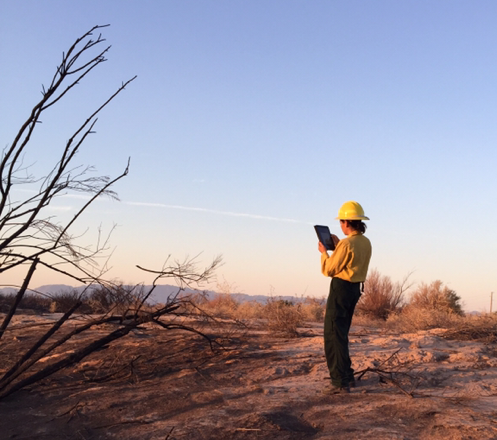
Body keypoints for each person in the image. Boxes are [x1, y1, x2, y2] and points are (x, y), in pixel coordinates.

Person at [317, 201, 372, 394]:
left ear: (347, 222)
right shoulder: (364, 242)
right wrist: (338, 245)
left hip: (341, 289)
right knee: (341, 333)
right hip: (355, 289)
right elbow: (351, 258)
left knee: (333, 335)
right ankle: (347, 375)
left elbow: (330, 269)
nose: (340, 225)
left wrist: (324, 253)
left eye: (341, 222)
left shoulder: (347, 244)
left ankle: (340, 381)